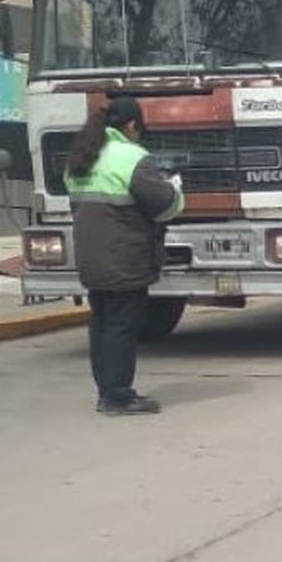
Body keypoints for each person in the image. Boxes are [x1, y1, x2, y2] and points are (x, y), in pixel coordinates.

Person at [64, 96, 183, 415]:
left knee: (101, 323)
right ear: (131, 126)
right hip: (124, 256)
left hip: (91, 256)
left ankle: (106, 391)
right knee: (121, 326)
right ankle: (119, 396)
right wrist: (175, 187)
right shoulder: (131, 157)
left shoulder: (81, 158)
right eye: (138, 129)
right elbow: (163, 205)